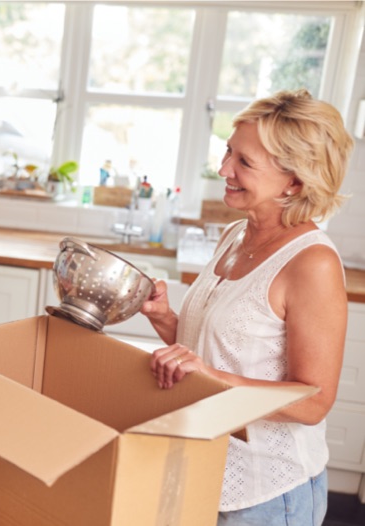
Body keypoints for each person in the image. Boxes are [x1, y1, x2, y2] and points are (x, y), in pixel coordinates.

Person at [140, 89, 352, 525]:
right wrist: (164, 317)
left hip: (266, 493)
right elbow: (213, 354)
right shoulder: (236, 235)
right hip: (203, 467)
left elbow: (313, 402)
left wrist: (213, 377)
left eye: (244, 163)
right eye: (228, 153)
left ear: (294, 181)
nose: (223, 170)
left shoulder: (312, 263)